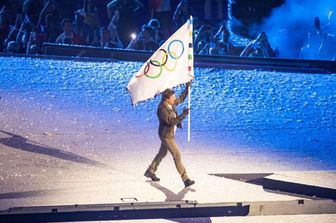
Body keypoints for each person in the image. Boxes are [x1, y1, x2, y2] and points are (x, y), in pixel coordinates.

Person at [144, 82, 195, 188]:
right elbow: (171, 122)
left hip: (170, 134)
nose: (174, 99)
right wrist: (184, 114)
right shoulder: (162, 109)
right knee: (177, 154)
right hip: (166, 136)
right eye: (173, 97)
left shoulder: (170, 104)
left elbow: (181, 99)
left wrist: (187, 88)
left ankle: (150, 171)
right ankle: (185, 179)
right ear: (167, 99)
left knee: (162, 153)